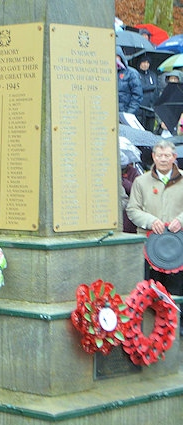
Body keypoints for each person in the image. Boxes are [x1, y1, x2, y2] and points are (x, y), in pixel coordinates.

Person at [127, 140, 183, 335]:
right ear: (153, 157)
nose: (163, 159)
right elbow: (132, 209)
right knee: (149, 290)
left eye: (167, 156)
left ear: (174, 157)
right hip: (148, 247)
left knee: (176, 291)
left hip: (178, 248)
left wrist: (180, 220)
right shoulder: (141, 182)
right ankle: (150, 331)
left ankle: (176, 332)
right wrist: (150, 221)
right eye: (159, 155)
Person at [116, 46, 143, 116]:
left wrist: (129, 113)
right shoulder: (107, 73)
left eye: (116, 56)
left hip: (125, 114)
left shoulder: (131, 73)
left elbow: (137, 95)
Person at [136, 55, 158, 132]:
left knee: (150, 131)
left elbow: (156, 90)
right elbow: (139, 88)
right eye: (144, 62)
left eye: (147, 63)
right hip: (140, 110)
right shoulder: (136, 74)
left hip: (151, 110)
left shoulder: (153, 75)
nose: (146, 64)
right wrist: (151, 87)